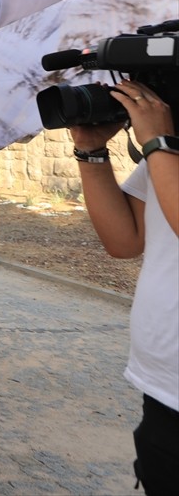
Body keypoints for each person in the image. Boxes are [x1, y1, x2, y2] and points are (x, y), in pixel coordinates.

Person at [67, 77, 178, 494]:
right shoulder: (168, 149)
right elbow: (124, 240)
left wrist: (158, 142)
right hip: (163, 389)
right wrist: (91, 150)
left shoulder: (164, 146)